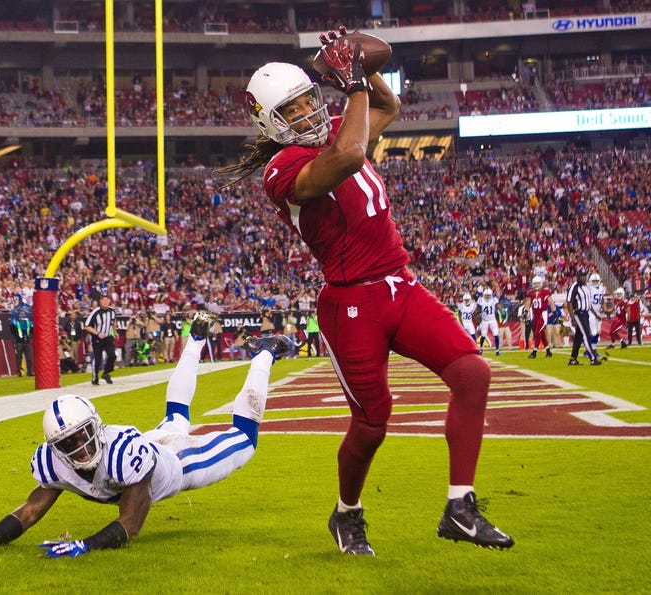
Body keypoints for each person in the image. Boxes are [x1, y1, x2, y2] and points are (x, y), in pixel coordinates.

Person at [216, 28, 513, 554]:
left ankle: (459, 506)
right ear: (269, 123)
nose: (309, 112)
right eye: (294, 108)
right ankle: (347, 512)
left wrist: (357, 66)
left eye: (311, 98)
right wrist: (350, 81)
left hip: (401, 284)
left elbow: (389, 104)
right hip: (352, 304)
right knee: (373, 421)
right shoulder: (281, 170)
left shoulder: (336, 126)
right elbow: (350, 155)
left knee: (472, 372)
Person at [0, 327, 293, 557]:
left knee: (244, 440)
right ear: (55, 447)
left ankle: (266, 353)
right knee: (175, 417)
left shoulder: (123, 454)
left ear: (96, 426)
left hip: (179, 462)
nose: (80, 447)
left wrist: (86, 544)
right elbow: (30, 510)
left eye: (83, 435)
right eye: (69, 442)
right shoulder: (54, 462)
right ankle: (197, 337)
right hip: (151, 442)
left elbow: (132, 523)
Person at [565, 267, 602, 366]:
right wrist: (572, 318)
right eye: (581, 276)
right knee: (587, 334)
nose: (583, 278)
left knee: (579, 337)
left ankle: (573, 359)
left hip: (586, 313)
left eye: (584, 276)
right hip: (579, 313)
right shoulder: (575, 287)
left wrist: (595, 314)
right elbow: (569, 302)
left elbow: (589, 304)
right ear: (577, 276)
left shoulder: (586, 287)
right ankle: (592, 358)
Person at [84, 294, 117, 385]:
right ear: (100, 302)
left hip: (108, 337)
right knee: (98, 359)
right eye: (104, 300)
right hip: (97, 338)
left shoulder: (112, 311)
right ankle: (95, 378)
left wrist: (115, 332)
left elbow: (114, 321)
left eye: (107, 300)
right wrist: (97, 333)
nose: (106, 302)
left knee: (113, 356)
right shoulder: (96, 312)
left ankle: (106, 373)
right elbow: (86, 326)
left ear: (110, 301)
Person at [525, 276, 554, 359]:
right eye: (535, 283)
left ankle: (534, 352)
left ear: (540, 283)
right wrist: (526, 311)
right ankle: (548, 351)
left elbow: (551, 302)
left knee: (537, 332)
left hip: (543, 315)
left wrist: (554, 312)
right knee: (541, 335)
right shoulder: (530, 293)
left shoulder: (545, 292)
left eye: (538, 283)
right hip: (536, 315)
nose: (536, 285)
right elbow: (528, 302)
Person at [10, 296, 34, 377]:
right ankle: (19, 372)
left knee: (29, 357)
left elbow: (31, 328)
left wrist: (29, 336)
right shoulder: (14, 320)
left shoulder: (28, 322)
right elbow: (12, 329)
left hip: (27, 340)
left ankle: (29, 371)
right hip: (19, 341)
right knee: (19, 357)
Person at [477, 288, 500, 355]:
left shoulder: (494, 300)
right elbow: (478, 309)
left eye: (488, 295)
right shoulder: (480, 300)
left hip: (492, 319)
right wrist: (479, 313)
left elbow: (497, 306)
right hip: (484, 320)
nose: (487, 297)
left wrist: (501, 310)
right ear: (484, 295)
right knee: (483, 335)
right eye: (486, 295)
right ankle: (480, 349)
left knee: (496, 334)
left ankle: (497, 350)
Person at [587, 273, 607, 354]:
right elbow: (589, 304)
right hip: (591, 312)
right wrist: (596, 315)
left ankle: (594, 350)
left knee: (598, 332)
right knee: (593, 332)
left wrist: (604, 309)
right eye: (594, 281)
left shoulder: (602, 289)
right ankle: (589, 351)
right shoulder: (588, 289)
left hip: (598, 312)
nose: (595, 282)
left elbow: (601, 299)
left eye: (596, 281)